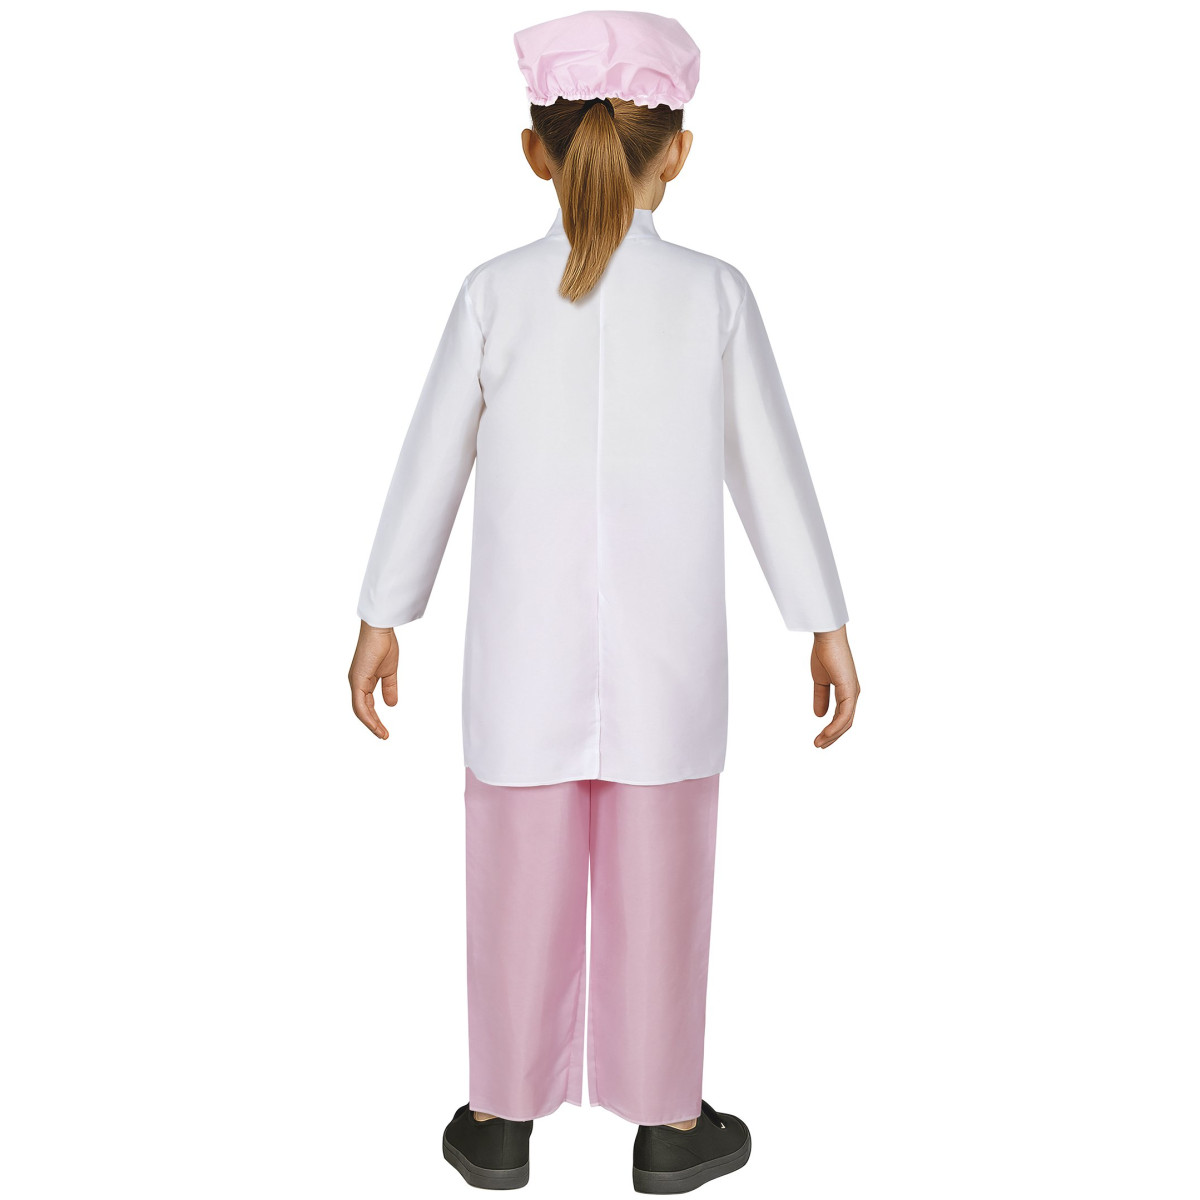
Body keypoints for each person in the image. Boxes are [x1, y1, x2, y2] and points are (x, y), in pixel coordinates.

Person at [348, 10, 860, 1193]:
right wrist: (823, 620)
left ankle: (499, 1118)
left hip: (520, 667)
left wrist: (383, 613)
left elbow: (431, 465)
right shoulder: (713, 295)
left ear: (534, 150)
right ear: (678, 151)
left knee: (514, 878)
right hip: (667, 666)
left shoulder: (493, 293)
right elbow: (770, 468)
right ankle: (669, 1125)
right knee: (662, 883)